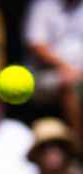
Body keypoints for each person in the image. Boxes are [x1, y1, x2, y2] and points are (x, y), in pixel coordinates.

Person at [24, 0, 83, 139]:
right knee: (70, 84)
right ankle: (78, 144)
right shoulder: (43, 6)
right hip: (46, 74)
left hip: (79, 74)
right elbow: (36, 46)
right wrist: (66, 68)